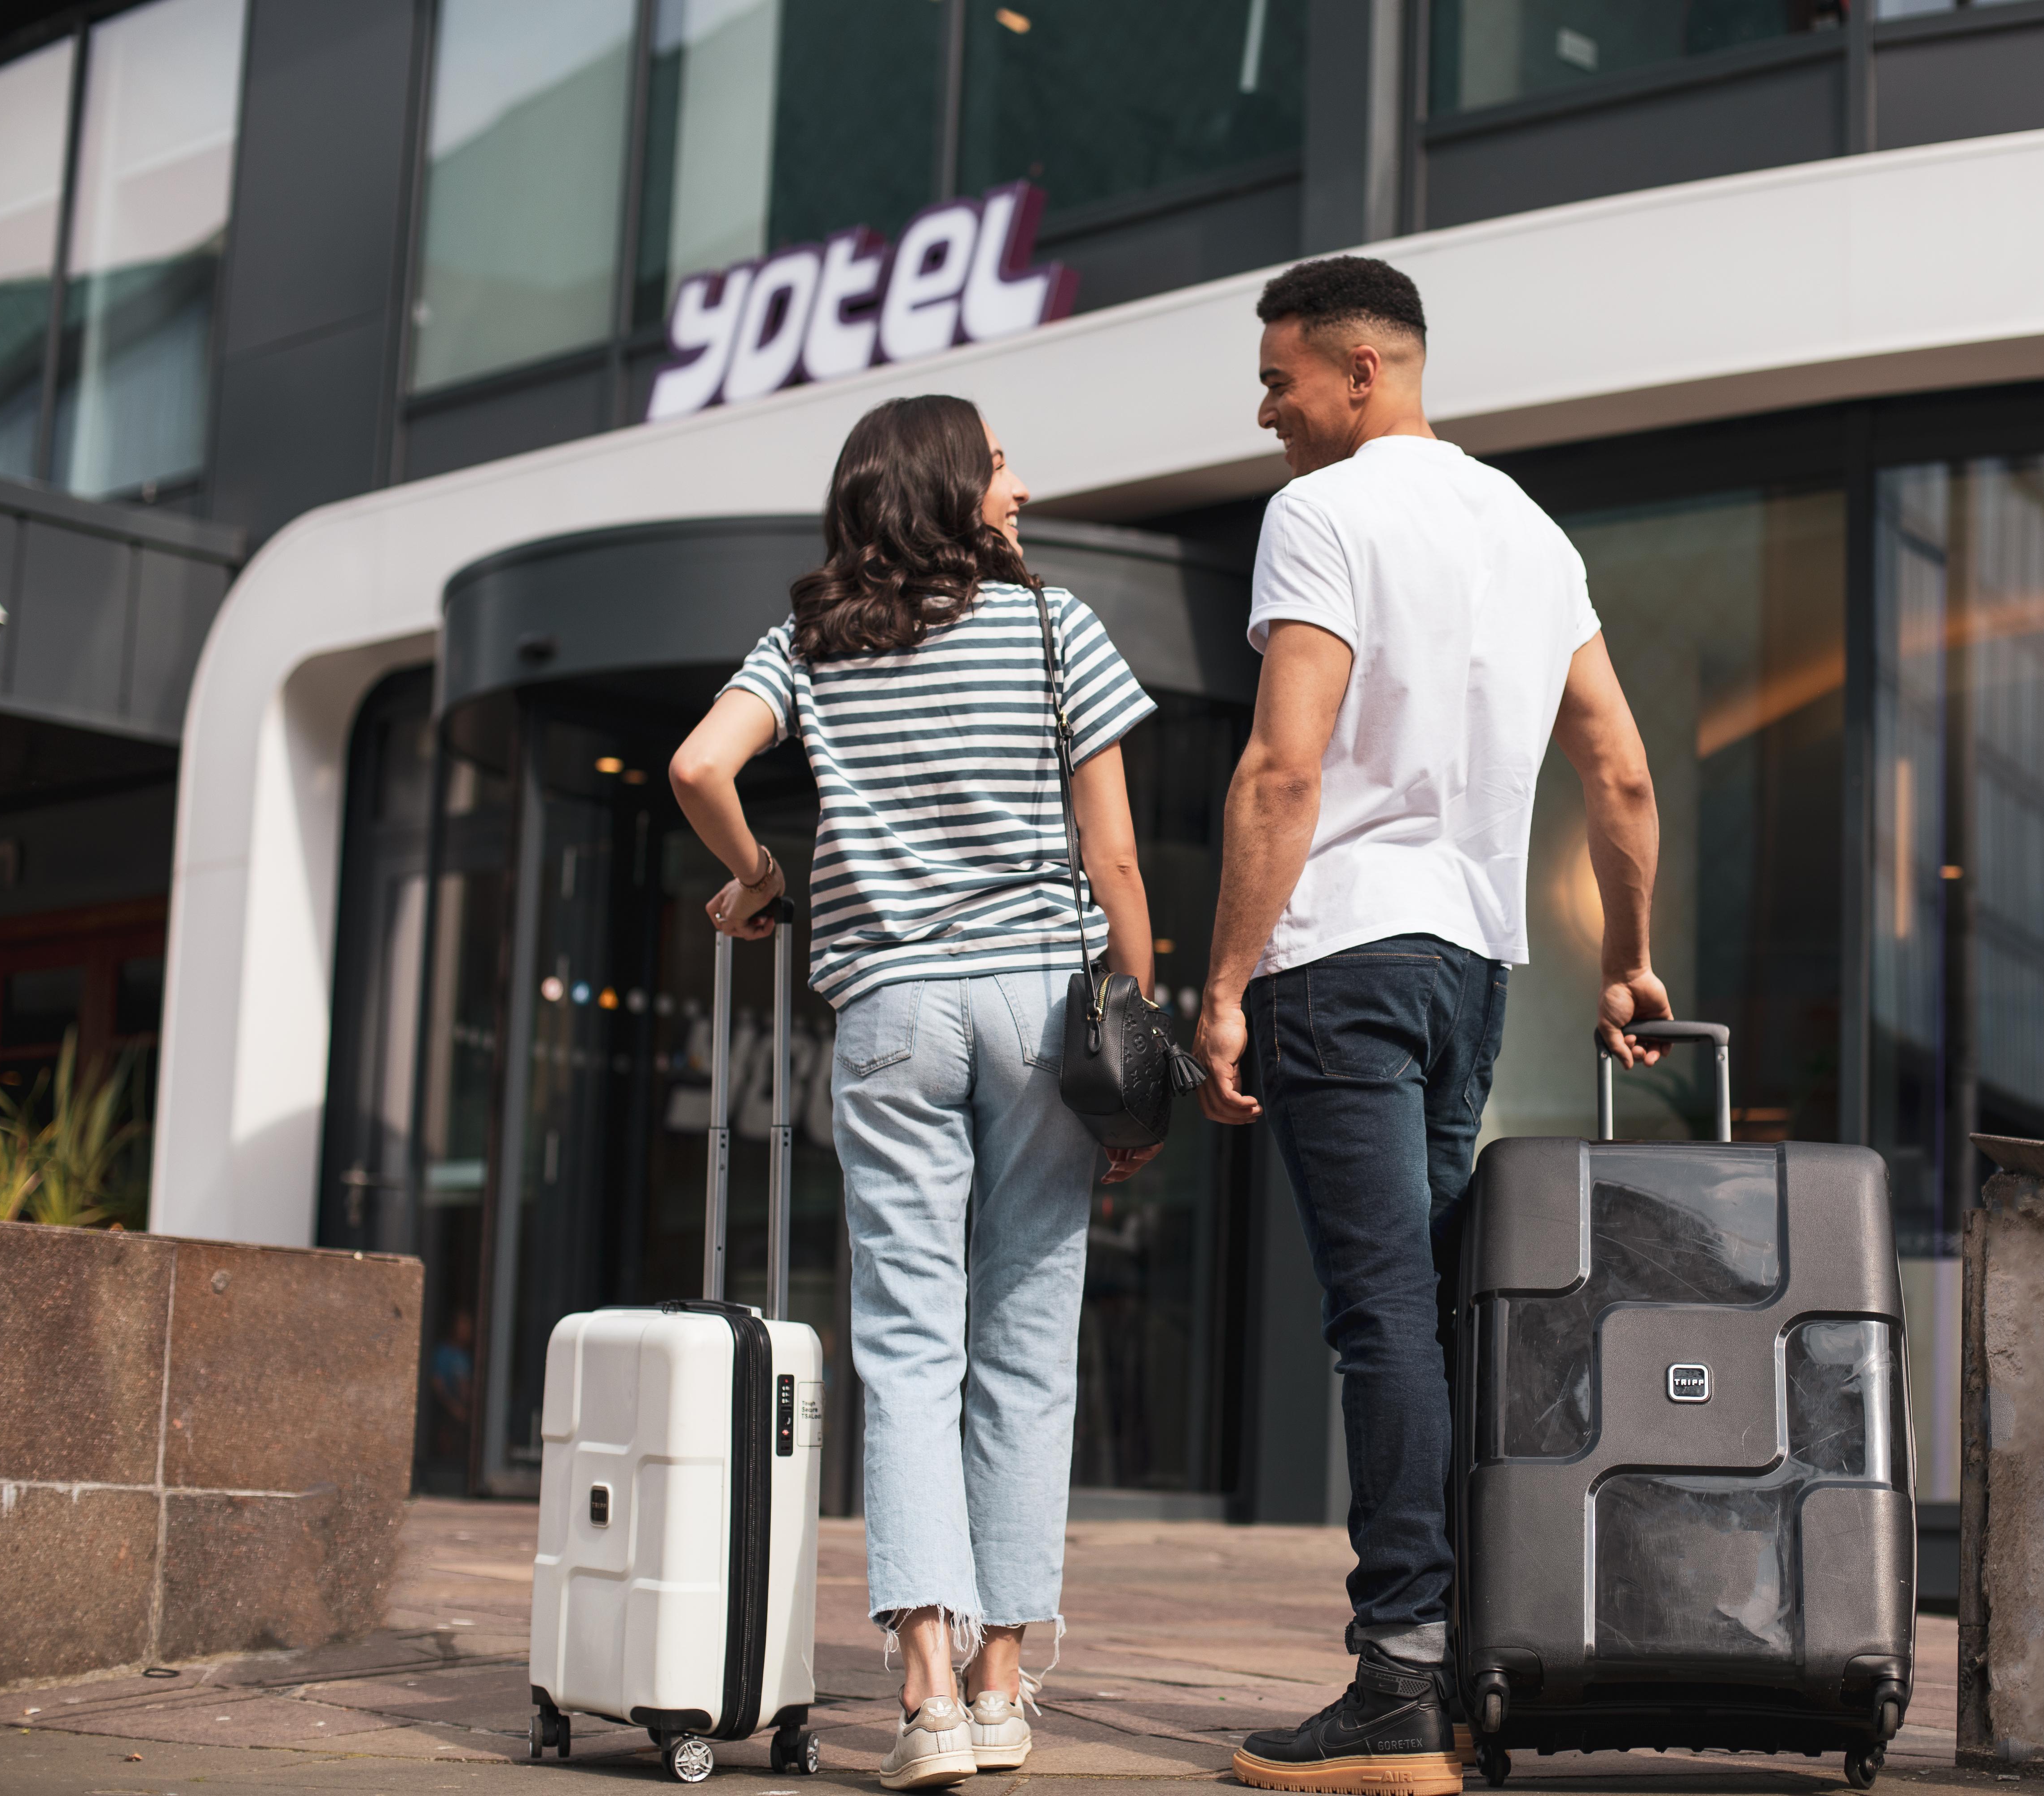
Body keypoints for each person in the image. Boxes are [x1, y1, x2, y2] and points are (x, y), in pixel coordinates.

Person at [1193, 257, 1671, 1796]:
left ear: (1358, 371)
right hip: (1474, 967)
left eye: (1279, 381)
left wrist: (1220, 986)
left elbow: (1283, 772)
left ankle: (1402, 1672)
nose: (1266, 412)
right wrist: (1631, 960)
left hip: (1339, 955)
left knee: (1383, 1313)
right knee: (1441, 1307)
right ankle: (1472, 1653)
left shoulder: (1323, 516)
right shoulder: (1530, 532)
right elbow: (1622, 776)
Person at [673, 394, 1162, 1792]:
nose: (1022, 485)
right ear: (950, 487)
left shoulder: (808, 647)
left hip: (890, 1012)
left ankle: (927, 1693)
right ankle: (1008, 1685)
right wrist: (1133, 1041)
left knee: (905, 1344)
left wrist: (761, 879)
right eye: (1003, 465)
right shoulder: (1060, 631)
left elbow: (701, 765)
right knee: (1027, 1341)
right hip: (1039, 1008)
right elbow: (1115, 862)